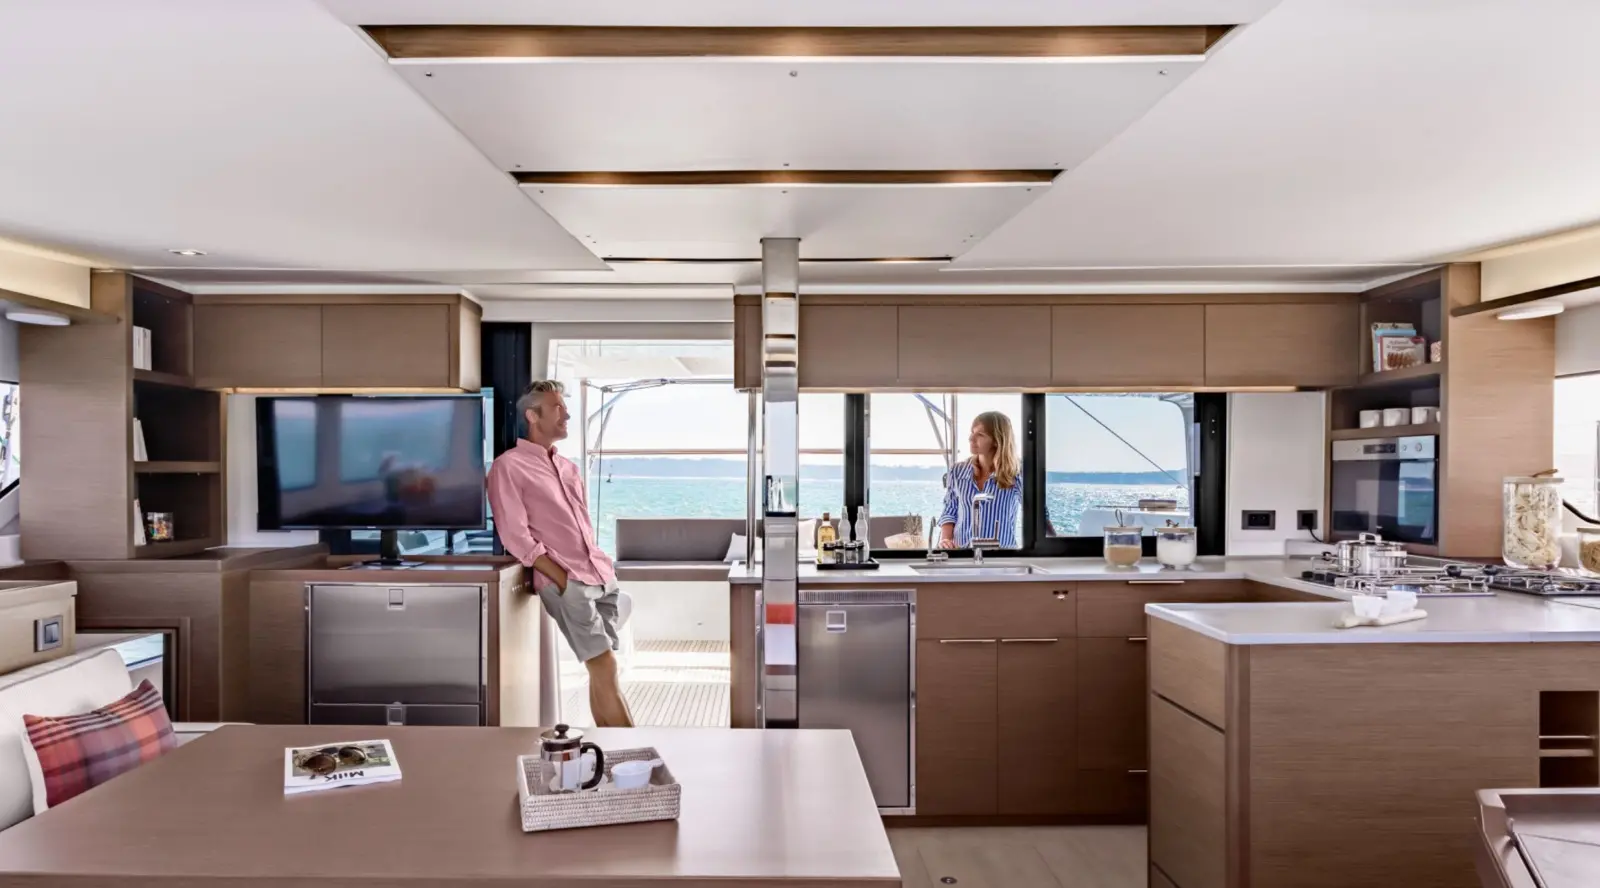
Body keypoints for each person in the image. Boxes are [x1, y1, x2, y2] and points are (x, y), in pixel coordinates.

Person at [487, 380, 635, 727]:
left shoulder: (569, 468)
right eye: (558, 408)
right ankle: (636, 752)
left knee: (603, 670)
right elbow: (515, 535)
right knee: (605, 666)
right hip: (568, 583)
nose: (566, 415)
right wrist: (562, 579)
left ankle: (609, 747)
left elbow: (581, 524)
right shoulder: (508, 467)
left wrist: (602, 567)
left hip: (599, 576)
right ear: (532, 415)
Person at [938, 411, 1023, 549]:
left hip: (1002, 556)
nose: (971, 438)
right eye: (972, 432)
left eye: (980, 434)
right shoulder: (957, 471)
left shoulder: (1017, 472)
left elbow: (1037, 512)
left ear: (997, 440)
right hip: (962, 555)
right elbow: (950, 510)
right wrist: (945, 540)